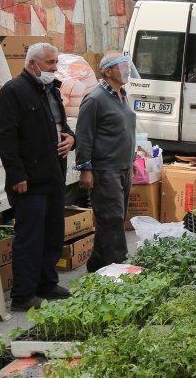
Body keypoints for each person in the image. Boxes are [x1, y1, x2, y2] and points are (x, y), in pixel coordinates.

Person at [0, 42, 75, 311]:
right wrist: (17, 175)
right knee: (29, 238)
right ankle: (23, 296)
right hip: (29, 180)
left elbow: (62, 125)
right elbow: (5, 138)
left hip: (53, 175)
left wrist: (70, 138)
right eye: (50, 63)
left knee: (52, 234)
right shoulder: (13, 92)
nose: (55, 68)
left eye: (56, 63)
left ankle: (46, 284)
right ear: (32, 64)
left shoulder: (50, 90)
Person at [76, 52, 138, 273]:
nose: (127, 71)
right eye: (121, 67)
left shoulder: (122, 94)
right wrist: (85, 168)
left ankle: (97, 265)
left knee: (116, 219)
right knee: (111, 219)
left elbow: (126, 130)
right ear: (107, 72)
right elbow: (84, 136)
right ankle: (119, 265)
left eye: (127, 66)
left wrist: (133, 158)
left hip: (123, 167)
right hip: (105, 169)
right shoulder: (95, 99)